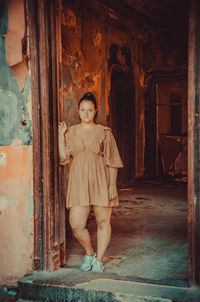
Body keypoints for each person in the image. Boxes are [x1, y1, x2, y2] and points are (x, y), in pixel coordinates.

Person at [58, 92, 123, 273]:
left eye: (90, 110)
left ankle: (99, 260)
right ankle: (90, 253)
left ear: (96, 111)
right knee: (76, 225)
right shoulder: (70, 132)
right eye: (82, 109)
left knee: (103, 221)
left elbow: (113, 162)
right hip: (78, 182)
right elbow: (63, 158)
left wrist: (112, 186)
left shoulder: (104, 132)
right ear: (78, 111)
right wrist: (60, 134)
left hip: (101, 181)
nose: (86, 113)